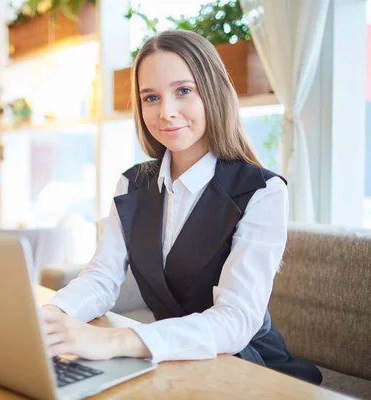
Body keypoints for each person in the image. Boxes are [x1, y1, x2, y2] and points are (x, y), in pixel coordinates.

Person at [41, 30, 322, 385]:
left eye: (183, 91)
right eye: (151, 97)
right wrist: (48, 316)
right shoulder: (132, 184)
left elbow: (235, 320)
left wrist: (116, 340)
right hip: (172, 361)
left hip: (247, 367)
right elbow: (101, 278)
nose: (166, 112)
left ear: (213, 91)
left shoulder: (263, 192)